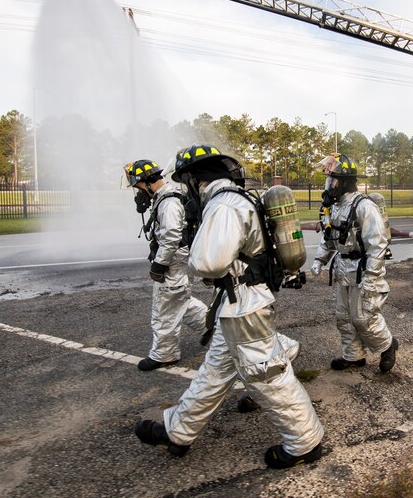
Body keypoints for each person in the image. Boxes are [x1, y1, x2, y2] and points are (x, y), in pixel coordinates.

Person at [134, 145, 324, 468]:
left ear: (198, 179)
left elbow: (209, 262)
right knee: (213, 373)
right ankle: (178, 431)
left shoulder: (223, 206)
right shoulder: (238, 198)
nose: (187, 190)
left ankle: (306, 441)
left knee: (268, 376)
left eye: (188, 182)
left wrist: (194, 249)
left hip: (244, 308)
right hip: (236, 304)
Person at [310, 154, 398, 373]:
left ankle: (388, 345)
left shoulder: (364, 207)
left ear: (346, 182)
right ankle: (353, 355)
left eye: (334, 181)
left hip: (362, 269)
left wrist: (372, 277)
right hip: (342, 269)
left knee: (363, 317)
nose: (329, 186)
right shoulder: (334, 207)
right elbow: (329, 238)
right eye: (328, 181)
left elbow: (377, 244)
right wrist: (320, 259)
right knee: (344, 317)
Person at [125, 159, 209, 371]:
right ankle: (218, 331)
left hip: (173, 263)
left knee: (163, 308)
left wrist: (159, 264)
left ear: (147, 183)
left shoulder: (169, 202)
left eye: (138, 188)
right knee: (182, 302)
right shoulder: (164, 198)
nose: (138, 193)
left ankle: (164, 354)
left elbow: (171, 236)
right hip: (177, 260)